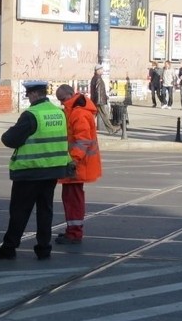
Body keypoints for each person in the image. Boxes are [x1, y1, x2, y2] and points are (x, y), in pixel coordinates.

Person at [0, 81, 72, 261]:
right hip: (52, 171)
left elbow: (10, 139)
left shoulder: (32, 115)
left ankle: (9, 248)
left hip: (30, 171)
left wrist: (9, 132)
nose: (28, 99)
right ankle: (44, 248)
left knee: (19, 211)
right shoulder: (59, 113)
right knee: (45, 211)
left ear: (34, 95)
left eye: (28, 95)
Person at [54, 84, 102, 245]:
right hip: (78, 164)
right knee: (71, 198)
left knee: (73, 199)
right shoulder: (76, 110)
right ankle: (72, 231)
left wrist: (73, 160)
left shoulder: (78, 113)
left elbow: (82, 141)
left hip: (77, 165)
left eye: (62, 99)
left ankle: (74, 233)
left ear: (70, 95)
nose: (61, 103)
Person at [91, 64, 119, 135]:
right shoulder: (98, 78)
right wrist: (99, 101)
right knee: (104, 115)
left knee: (93, 116)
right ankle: (111, 129)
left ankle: (87, 128)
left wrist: (105, 96)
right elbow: (98, 91)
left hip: (97, 100)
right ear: (98, 70)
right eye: (101, 69)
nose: (102, 70)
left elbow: (99, 91)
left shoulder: (95, 78)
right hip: (99, 101)